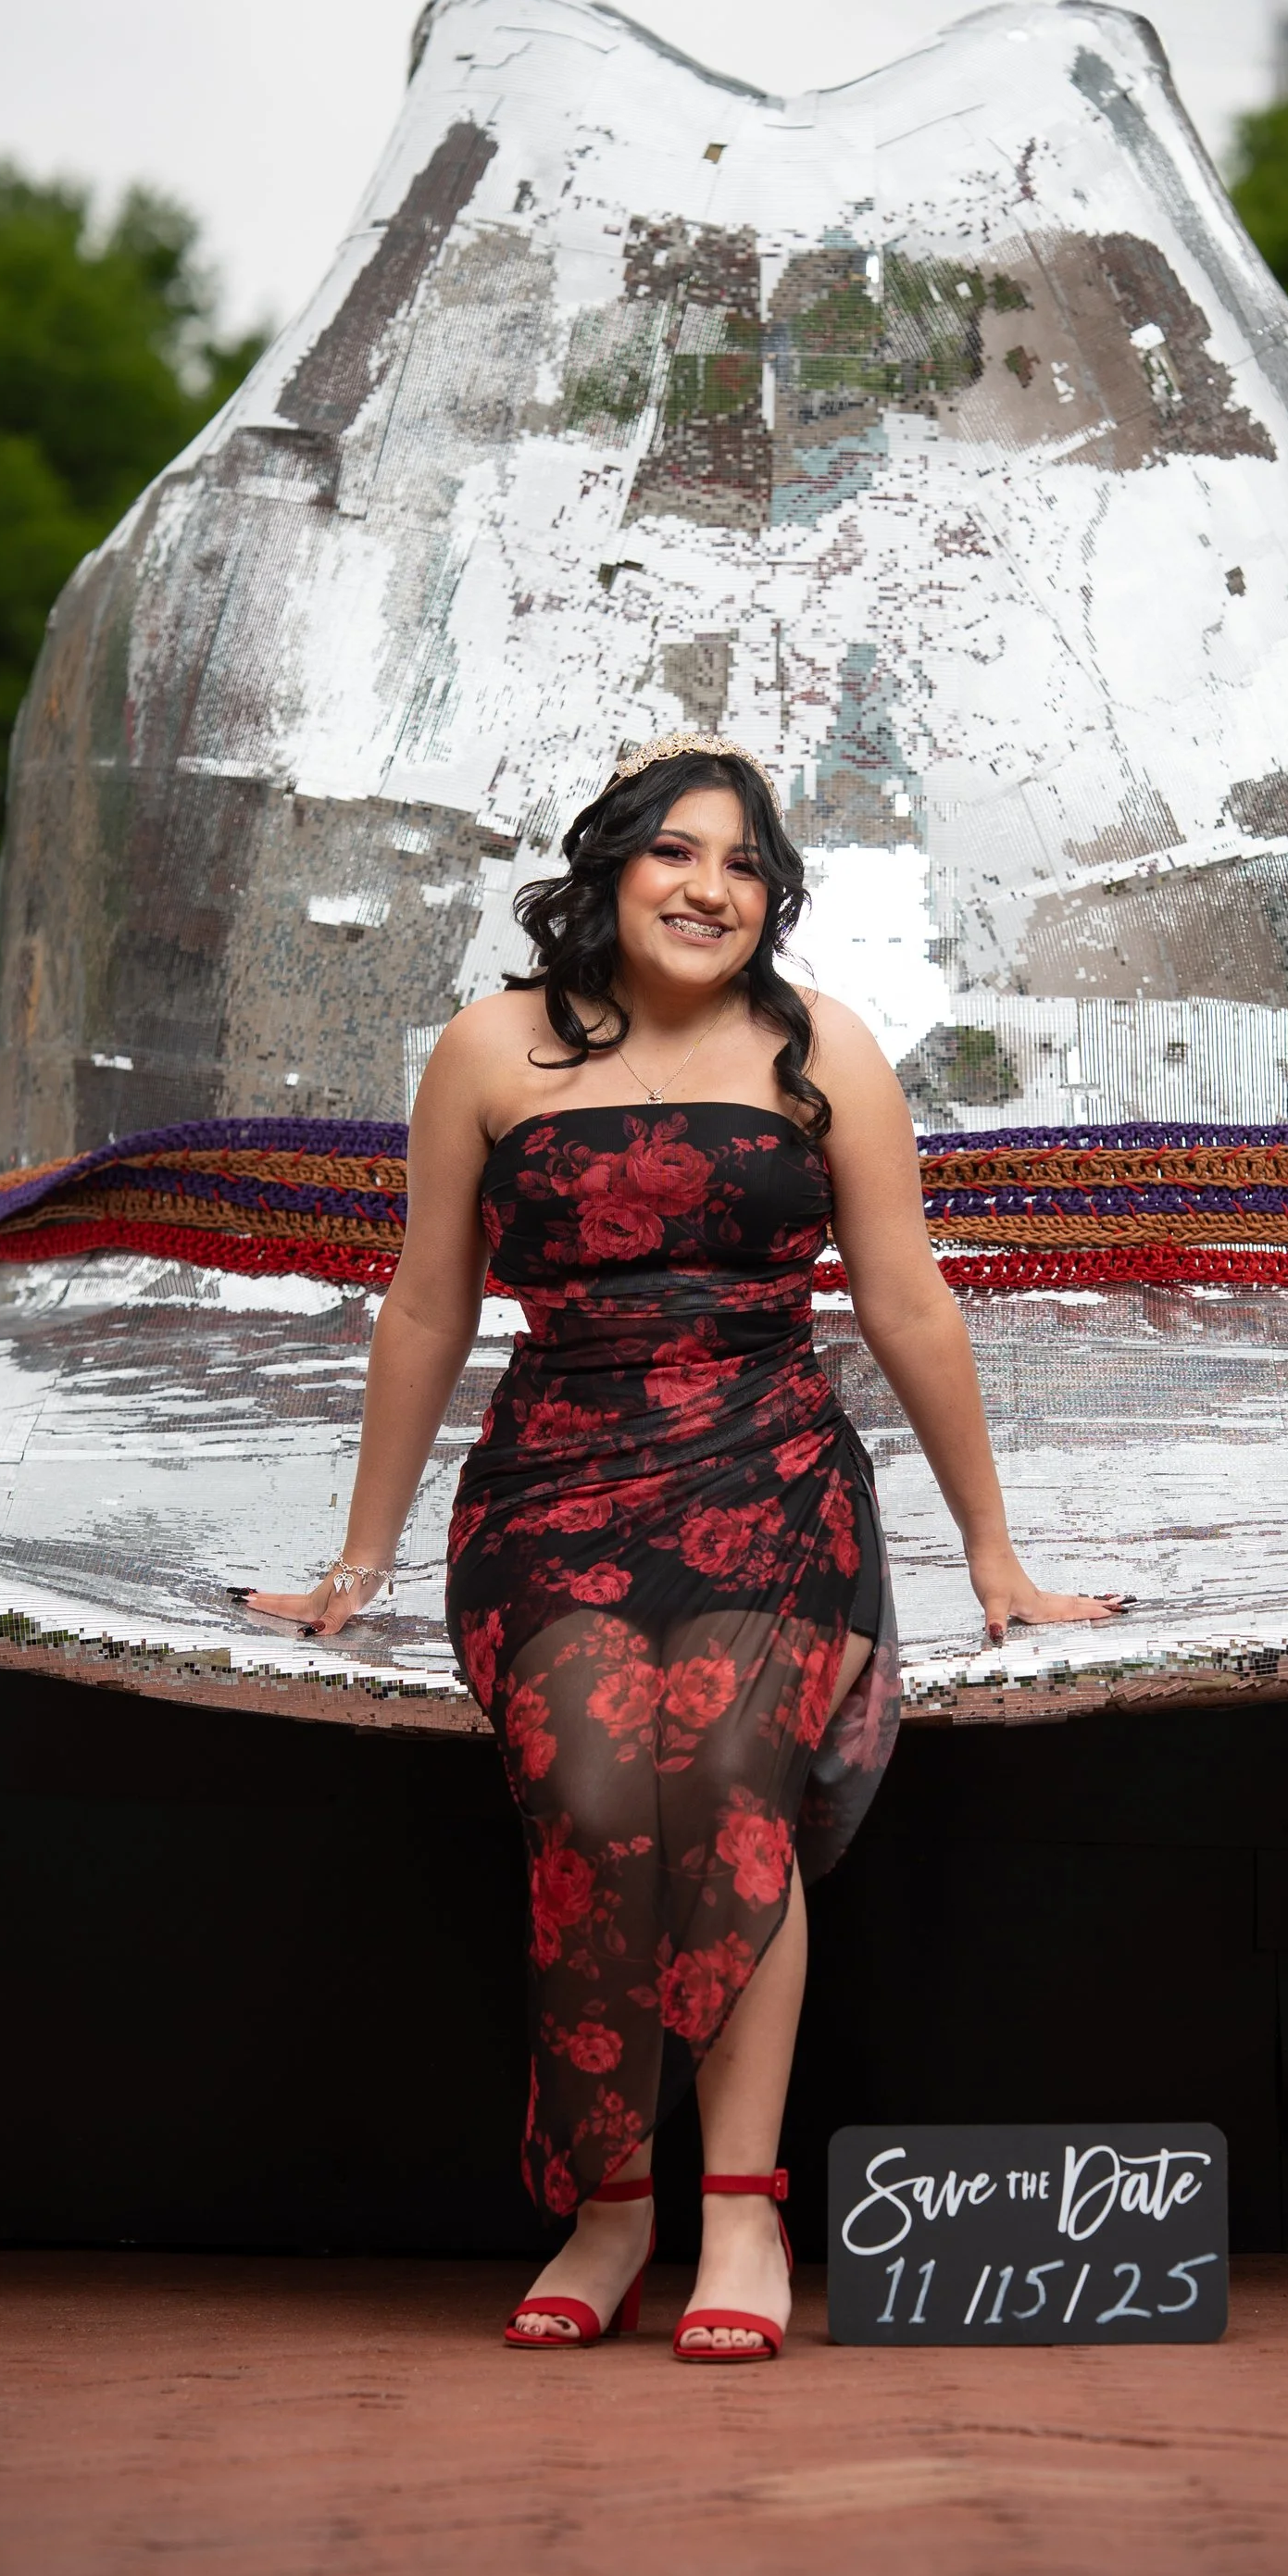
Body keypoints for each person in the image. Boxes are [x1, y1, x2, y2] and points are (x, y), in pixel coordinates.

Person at [248, 735, 1123, 2361]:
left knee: (726, 1780)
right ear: (610, 871)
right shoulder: (488, 1050)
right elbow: (431, 1305)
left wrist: (994, 1555)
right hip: (553, 1486)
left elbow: (908, 1302)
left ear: (771, 900)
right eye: (673, 852)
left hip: (768, 1470)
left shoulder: (824, 1055)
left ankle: (740, 2208)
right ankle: (608, 2199)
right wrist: (356, 1561)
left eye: (742, 864)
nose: (707, 886)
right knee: (594, 1788)